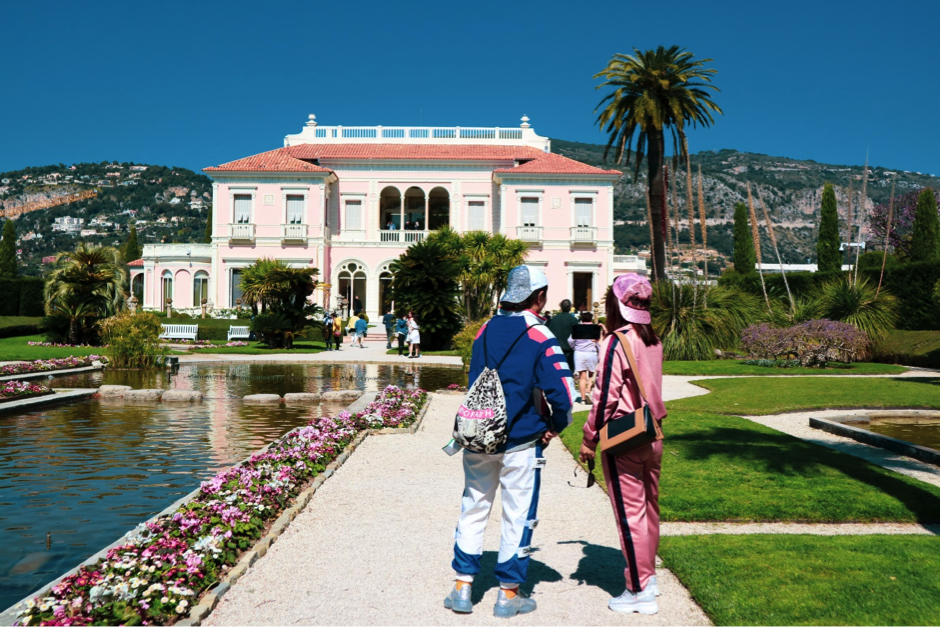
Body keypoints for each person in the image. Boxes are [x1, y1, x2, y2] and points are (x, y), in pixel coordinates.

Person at [444, 265, 575, 619]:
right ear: (539, 297)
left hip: (478, 436)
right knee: (517, 515)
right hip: (521, 439)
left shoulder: (484, 329)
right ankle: (508, 595)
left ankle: (462, 587)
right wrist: (555, 426)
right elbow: (564, 394)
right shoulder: (540, 334)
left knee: (473, 507)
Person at [579, 273, 666, 615]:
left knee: (630, 516)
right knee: (649, 510)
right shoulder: (653, 340)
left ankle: (638, 590)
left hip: (624, 435)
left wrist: (589, 437)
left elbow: (605, 398)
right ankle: (649, 576)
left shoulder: (617, 342)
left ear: (616, 305)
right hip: (652, 432)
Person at [568, 311, 601, 404]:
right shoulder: (595, 328)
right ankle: (588, 392)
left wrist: (574, 347)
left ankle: (583, 399)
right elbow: (598, 341)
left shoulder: (577, 328)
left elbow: (570, 340)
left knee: (582, 377)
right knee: (591, 375)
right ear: (591, 319)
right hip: (591, 353)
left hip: (579, 353)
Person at [547, 299, 578, 371]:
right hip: (569, 349)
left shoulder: (554, 319)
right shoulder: (573, 319)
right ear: (570, 307)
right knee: (569, 371)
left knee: (557, 370)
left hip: (556, 348)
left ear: (561, 307)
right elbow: (576, 335)